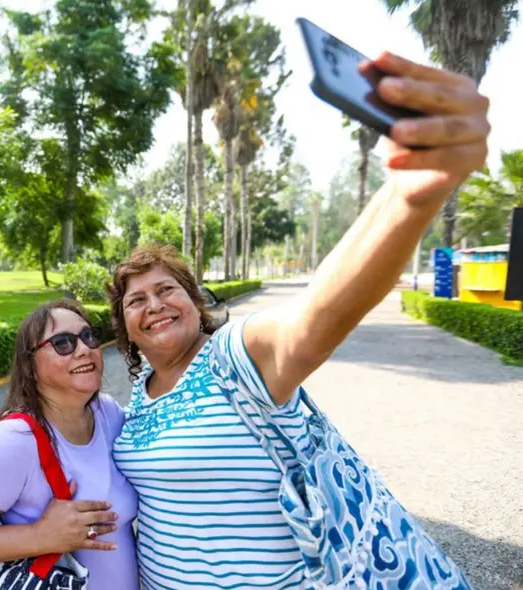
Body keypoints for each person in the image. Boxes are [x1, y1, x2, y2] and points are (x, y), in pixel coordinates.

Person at [108, 52, 490, 589]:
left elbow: (318, 314)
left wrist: (410, 195)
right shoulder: (138, 397)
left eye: (167, 290)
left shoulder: (237, 356)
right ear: (124, 327)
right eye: (136, 301)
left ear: (197, 303)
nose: (154, 306)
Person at [0, 300, 140, 590]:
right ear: (30, 366)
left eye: (89, 336)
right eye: (63, 343)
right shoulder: (14, 441)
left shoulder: (108, 413)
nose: (84, 349)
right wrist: (40, 536)